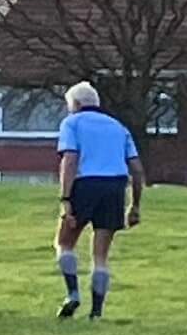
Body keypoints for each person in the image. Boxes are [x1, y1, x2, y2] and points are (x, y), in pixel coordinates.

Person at [55, 83, 144, 321]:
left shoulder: (71, 123)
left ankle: (73, 293)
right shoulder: (118, 127)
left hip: (85, 184)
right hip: (115, 185)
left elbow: (70, 159)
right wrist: (135, 205)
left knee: (64, 243)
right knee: (101, 255)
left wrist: (66, 198)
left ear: (75, 104)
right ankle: (96, 312)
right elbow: (136, 168)